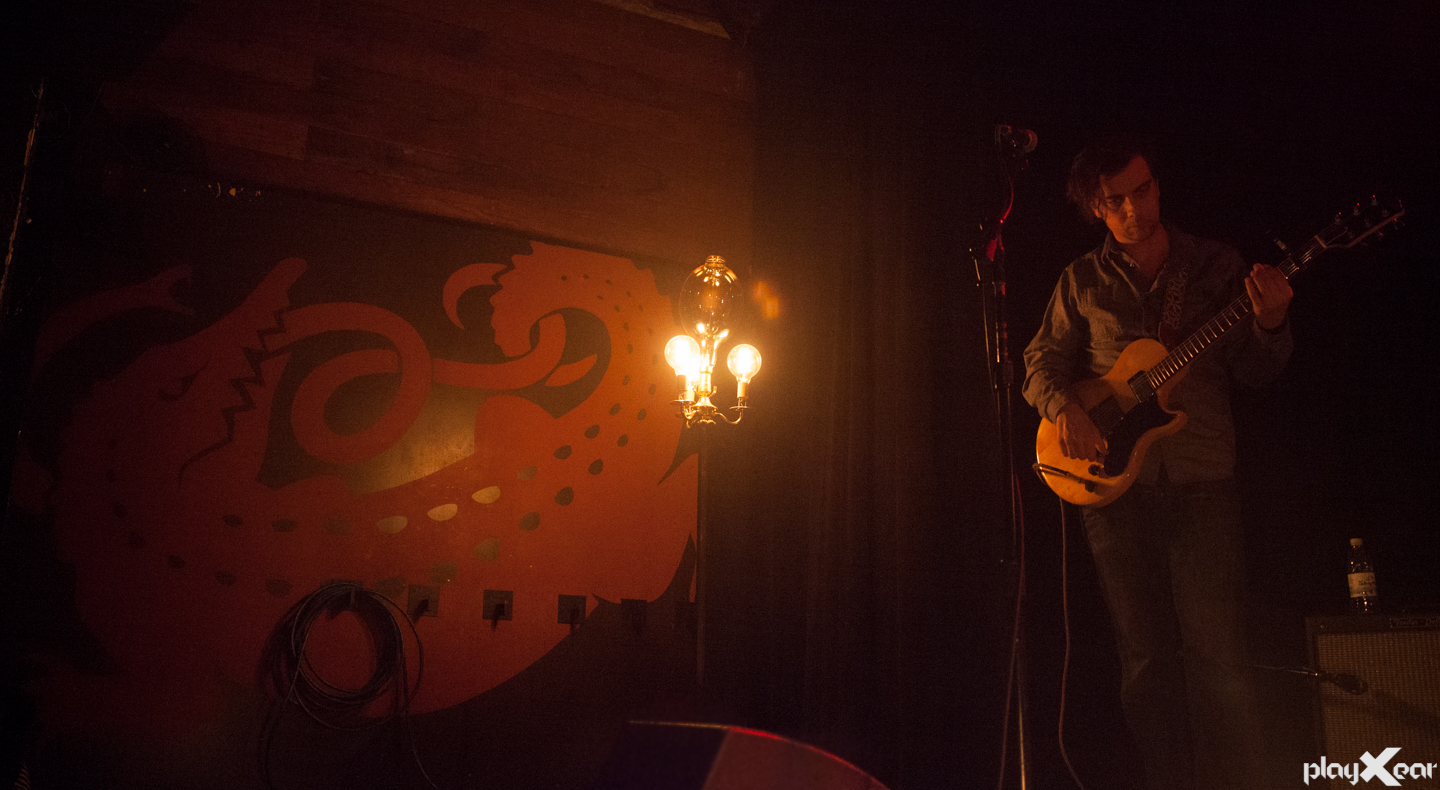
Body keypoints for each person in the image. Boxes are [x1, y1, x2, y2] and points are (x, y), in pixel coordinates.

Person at [1022, 138, 1293, 790]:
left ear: (1157, 186)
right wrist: (1067, 409)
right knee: (1143, 662)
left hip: (1203, 479)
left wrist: (1270, 324)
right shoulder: (1080, 281)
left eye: (1141, 191)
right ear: (1095, 208)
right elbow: (1038, 363)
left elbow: (1256, 373)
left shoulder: (1215, 266)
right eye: (1114, 201)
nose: (1133, 209)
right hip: (1114, 489)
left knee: (1220, 659)